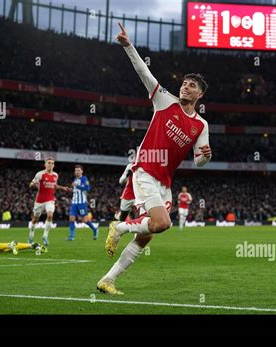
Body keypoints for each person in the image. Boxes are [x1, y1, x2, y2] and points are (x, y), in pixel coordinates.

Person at [97, 23, 212, 295]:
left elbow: (198, 162)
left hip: (165, 182)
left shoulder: (201, 126)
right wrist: (128, 46)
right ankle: (120, 225)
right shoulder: (164, 101)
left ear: (200, 95)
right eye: (184, 83)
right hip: (145, 170)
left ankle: (108, 280)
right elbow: (143, 71)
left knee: (147, 234)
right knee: (162, 224)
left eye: (192, 85)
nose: (185, 87)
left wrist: (205, 157)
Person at [28, 157, 70, 247]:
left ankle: (45, 235)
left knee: (50, 215)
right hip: (39, 200)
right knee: (35, 219)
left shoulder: (55, 175)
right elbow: (31, 184)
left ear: (54, 165)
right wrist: (32, 185)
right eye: (49, 163)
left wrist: (63, 188)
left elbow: (54, 185)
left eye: (52, 163)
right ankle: (31, 233)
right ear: (45, 164)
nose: (50, 164)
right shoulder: (40, 174)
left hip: (50, 199)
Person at [67, 165, 99, 241]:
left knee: (84, 220)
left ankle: (95, 230)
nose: (77, 172)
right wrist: (71, 189)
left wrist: (77, 186)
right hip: (74, 202)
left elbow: (87, 188)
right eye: (76, 170)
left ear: (82, 171)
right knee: (71, 219)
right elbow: (76, 190)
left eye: (78, 170)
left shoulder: (84, 179)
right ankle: (72, 236)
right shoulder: (75, 179)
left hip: (82, 203)